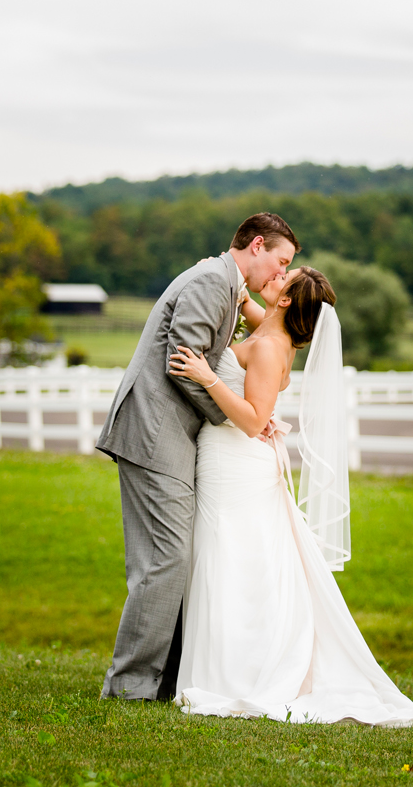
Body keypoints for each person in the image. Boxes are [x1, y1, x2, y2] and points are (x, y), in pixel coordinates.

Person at [166, 266, 413, 727]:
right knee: (235, 558)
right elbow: (245, 300)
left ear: (289, 300)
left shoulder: (271, 346)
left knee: (227, 556)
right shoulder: (270, 328)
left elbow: (253, 420)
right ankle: (226, 667)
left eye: (286, 275)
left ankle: (234, 675)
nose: (278, 273)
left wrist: (206, 376)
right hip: (231, 460)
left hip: (236, 460)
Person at [95, 213, 299, 701]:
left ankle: (168, 681)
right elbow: (184, 363)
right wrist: (234, 418)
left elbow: (271, 326)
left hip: (173, 438)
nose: (281, 272)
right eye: (281, 260)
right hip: (153, 432)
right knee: (166, 560)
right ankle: (130, 688)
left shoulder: (228, 286)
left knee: (178, 560)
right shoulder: (212, 281)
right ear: (256, 246)